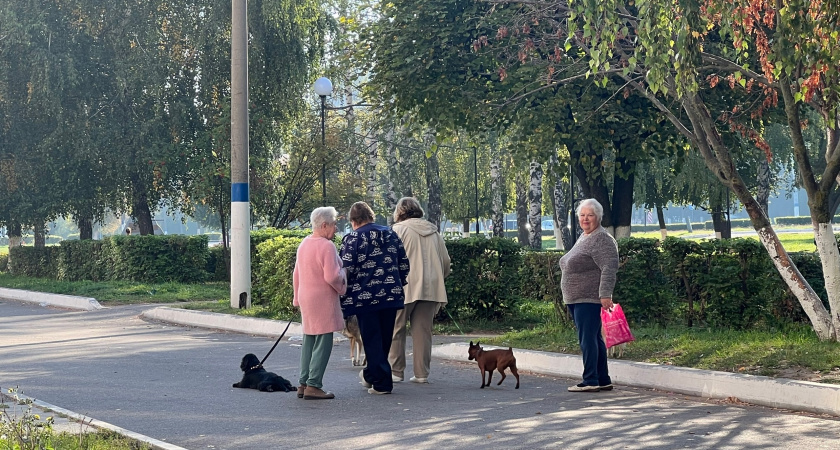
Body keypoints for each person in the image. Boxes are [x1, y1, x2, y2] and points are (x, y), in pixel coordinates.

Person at [340, 201, 410, 395]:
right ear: (371, 216)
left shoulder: (352, 238)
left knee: (371, 338)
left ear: (353, 221)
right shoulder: (390, 233)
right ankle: (371, 375)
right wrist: (397, 282)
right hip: (390, 294)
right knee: (384, 337)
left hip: (364, 297)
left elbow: (346, 269)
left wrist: (343, 293)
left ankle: (382, 383)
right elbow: (404, 263)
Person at [388, 197, 451, 384]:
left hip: (405, 285)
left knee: (396, 328)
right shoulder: (433, 231)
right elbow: (446, 261)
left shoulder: (398, 230)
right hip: (431, 286)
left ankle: (396, 372)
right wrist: (439, 277)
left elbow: (391, 259)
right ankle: (422, 374)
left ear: (399, 212)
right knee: (423, 331)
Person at [559, 198, 618, 392]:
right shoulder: (586, 236)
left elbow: (609, 268)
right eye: (582, 215)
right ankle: (602, 379)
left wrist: (605, 294)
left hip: (589, 298)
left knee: (587, 339)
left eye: (590, 215)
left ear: (599, 217)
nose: (585, 219)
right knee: (593, 338)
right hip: (577, 298)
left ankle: (590, 380)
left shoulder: (602, 239)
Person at [293, 206, 347, 400]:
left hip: (306, 296)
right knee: (324, 340)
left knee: (309, 339)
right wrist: (344, 278)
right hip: (322, 299)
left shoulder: (304, 243)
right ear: (324, 225)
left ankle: (303, 382)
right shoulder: (326, 246)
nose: (336, 228)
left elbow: (296, 273)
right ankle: (314, 385)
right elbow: (332, 276)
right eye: (334, 224)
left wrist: (296, 297)